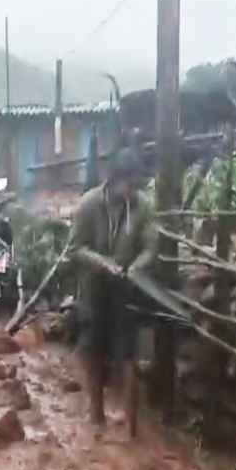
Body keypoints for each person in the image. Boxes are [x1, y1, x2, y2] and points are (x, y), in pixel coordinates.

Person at [71, 142, 156, 439]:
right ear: (113, 179)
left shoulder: (143, 206)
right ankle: (96, 415)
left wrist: (136, 267)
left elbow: (150, 247)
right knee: (92, 350)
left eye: (135, 184)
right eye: (126, 183)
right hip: (93, 289)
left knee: (128, 354)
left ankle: (131, 426)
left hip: (125, 290)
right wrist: (102, 263)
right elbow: (75, 249)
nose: (130, 190)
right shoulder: (88, 205)